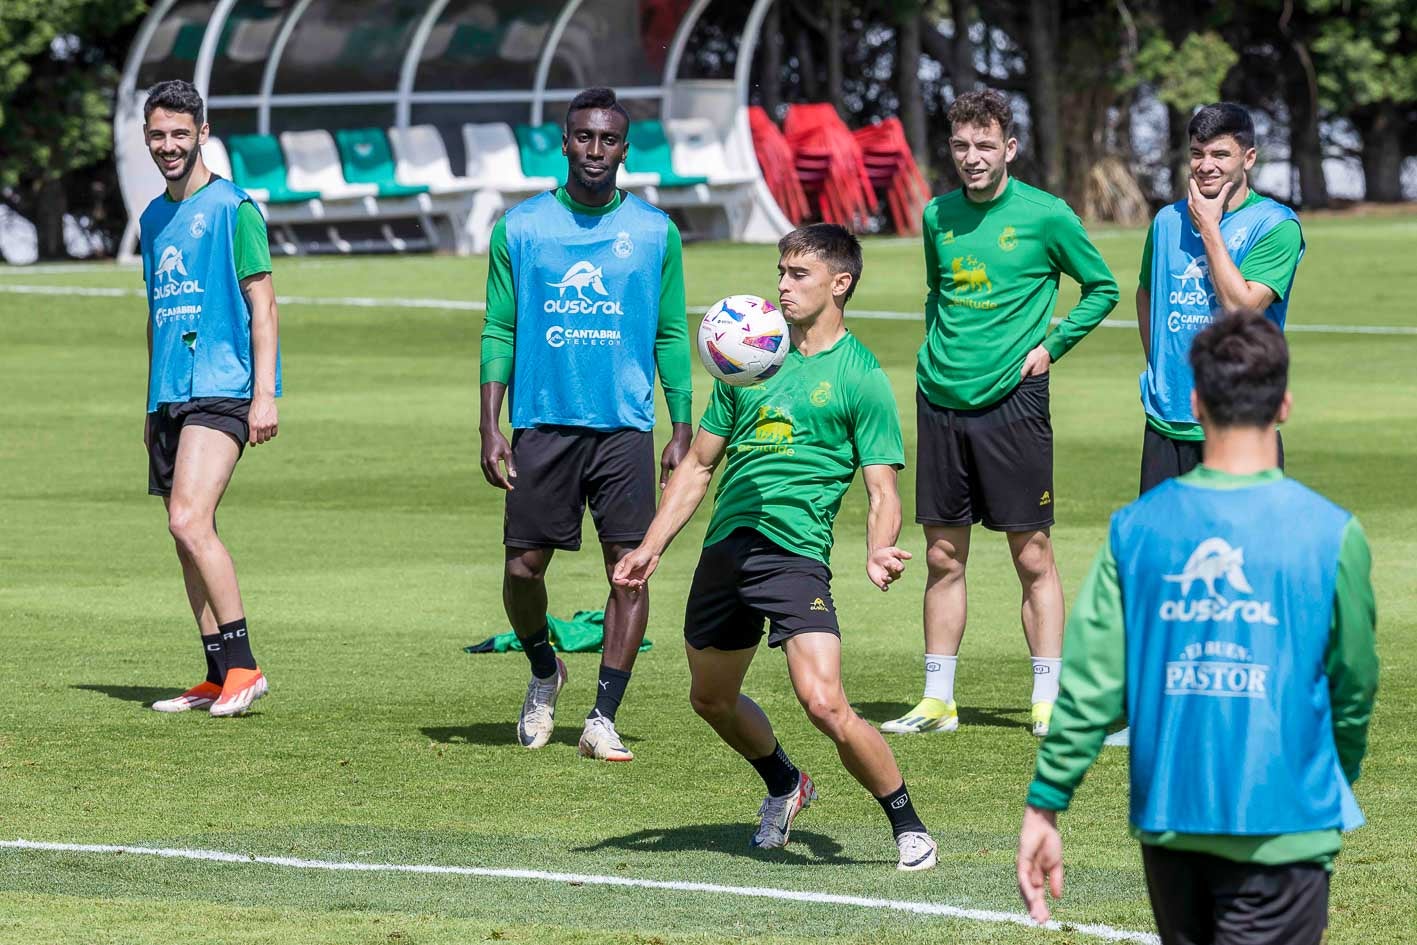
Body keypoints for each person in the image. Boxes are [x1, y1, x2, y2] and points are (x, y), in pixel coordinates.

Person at [1016, 312, 1377, 945]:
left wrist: (1047, 799)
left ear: (1196, 400)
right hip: (1287, 820)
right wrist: (1332, 778)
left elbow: (1094, 684)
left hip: (1172, 820)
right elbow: (1354, 685)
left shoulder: (1138, 527)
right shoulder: (1331, 532)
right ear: (1284, 404)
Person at [613, 224, 938, 871]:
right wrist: (650, 546)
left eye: (798, 274)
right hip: (725, 550)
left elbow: (882, 487)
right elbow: (699, 467)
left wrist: (879, 547)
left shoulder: (859, 374)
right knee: (709, 698)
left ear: (839, 283)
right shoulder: (745, 360)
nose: (783, 285)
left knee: (823, 700)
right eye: (781, 272)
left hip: (793, 556)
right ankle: (786, 783)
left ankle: (908, 824)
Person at [882, 88, 1119, 739]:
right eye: (960, 146)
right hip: (939, 400)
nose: (972, 157)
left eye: (984, 145)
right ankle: (937, 700)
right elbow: (939, 292)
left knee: (1032, 551)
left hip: (1014, 402)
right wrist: (935, 362)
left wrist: (1052, 347)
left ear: (1009, 147)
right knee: (940, 556)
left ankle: (1047, 700)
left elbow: (1102, 288)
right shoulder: (937, 215)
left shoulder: (1046, 215)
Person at [479, 86, 692, 762]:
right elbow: (498, 328)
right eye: (583, 137)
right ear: (563, 142)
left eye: (607, 139)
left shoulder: (656, 231)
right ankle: (545, 668)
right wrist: (490, 423)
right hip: (542, 424)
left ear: (624, 149)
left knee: (629, 572)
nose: (594, 150)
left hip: (624, 428)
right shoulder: (520, 228)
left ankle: (602, 714)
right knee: (522, 567)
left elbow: (670, 333)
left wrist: (679, 423)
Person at [140, 80, 280, 717]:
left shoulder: (232, 207)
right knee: (186, 535)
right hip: (171, 393)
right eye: (156, 135)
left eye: (178, 134)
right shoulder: (151, 218)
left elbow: (263, 303)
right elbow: (155, 317)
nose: (167, 145)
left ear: (202, 132)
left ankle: (246, 668)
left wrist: (265, 394)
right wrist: (149, 404)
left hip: (223, 385)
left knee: (188, 520)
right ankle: (216, 671)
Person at [1138, 102, 1304, 494]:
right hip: (1167, 418)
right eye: (1197, 153)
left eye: (1219, 154)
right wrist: (1161, 370)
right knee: (1163, 551)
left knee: (1241, 551)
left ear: (1248, 158)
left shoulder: (1276, 226)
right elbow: (1146, 294)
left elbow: (1240, 309)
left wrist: (1209, 228)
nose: (1205, 165)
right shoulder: (1165, 222)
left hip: (1239, 418)